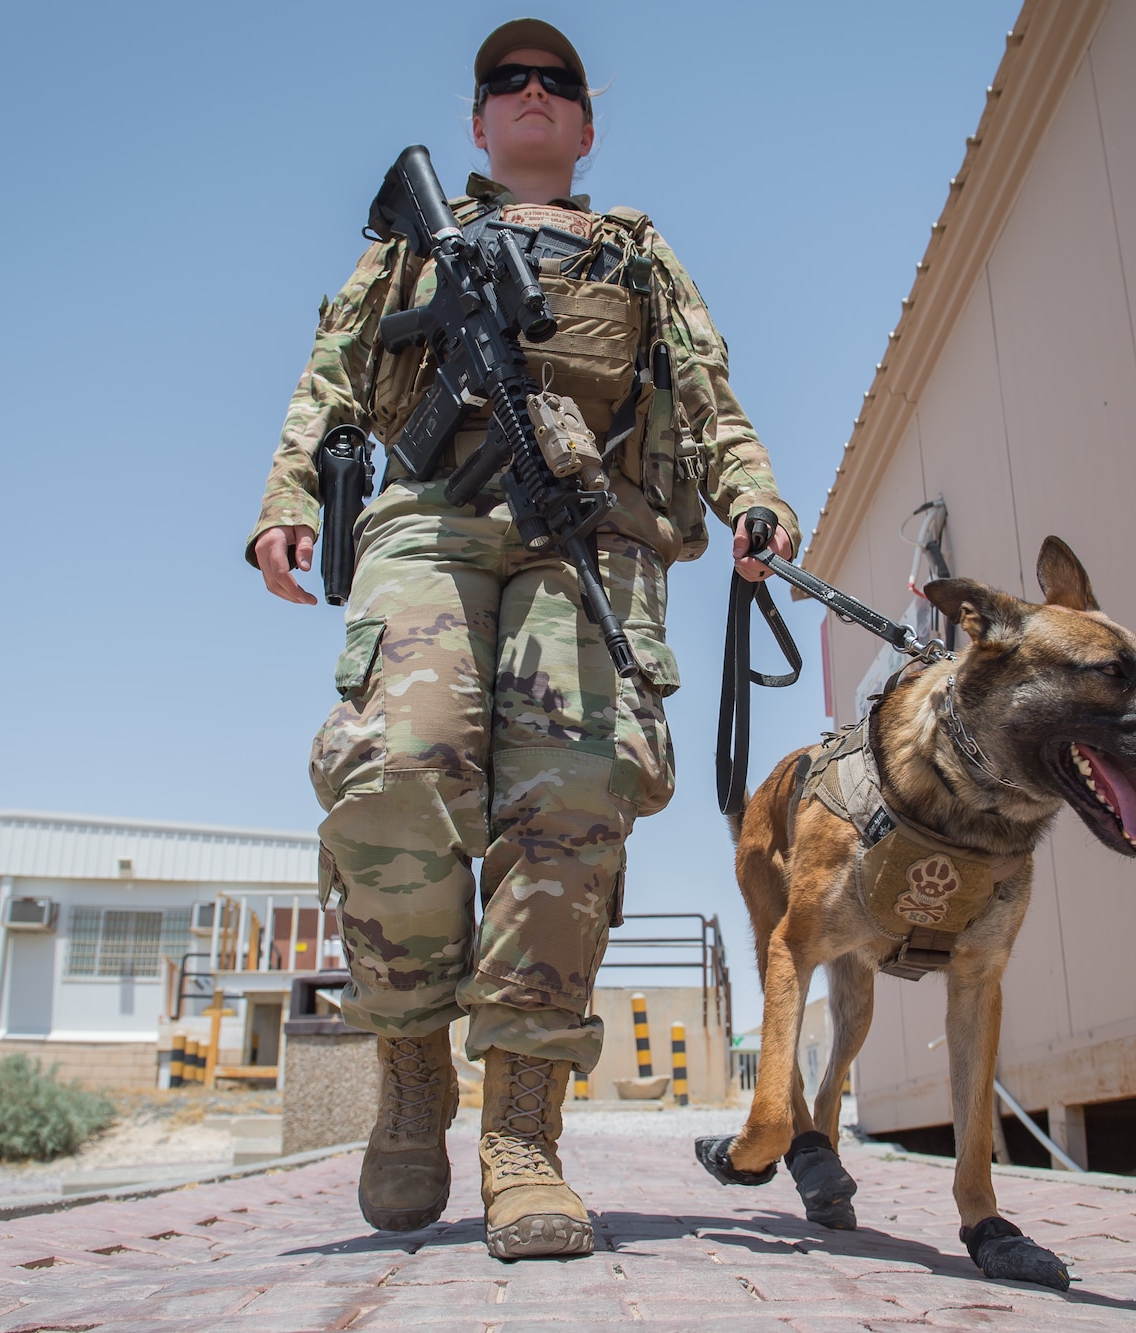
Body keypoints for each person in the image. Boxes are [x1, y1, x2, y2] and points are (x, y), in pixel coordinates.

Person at [246, 17, 800, 1260]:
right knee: (395, 766)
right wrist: (286, 500)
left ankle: (522, 1136)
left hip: (588, 529)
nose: (533, 93)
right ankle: (408, 1066)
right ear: (479, 120)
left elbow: (708, 397)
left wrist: (754, 498)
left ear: (587, 125)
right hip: (430, 524)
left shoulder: (638, 255)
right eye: (509, 81)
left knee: (570, 802)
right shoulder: (413, 241)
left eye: (558, 82)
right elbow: (331, 376)